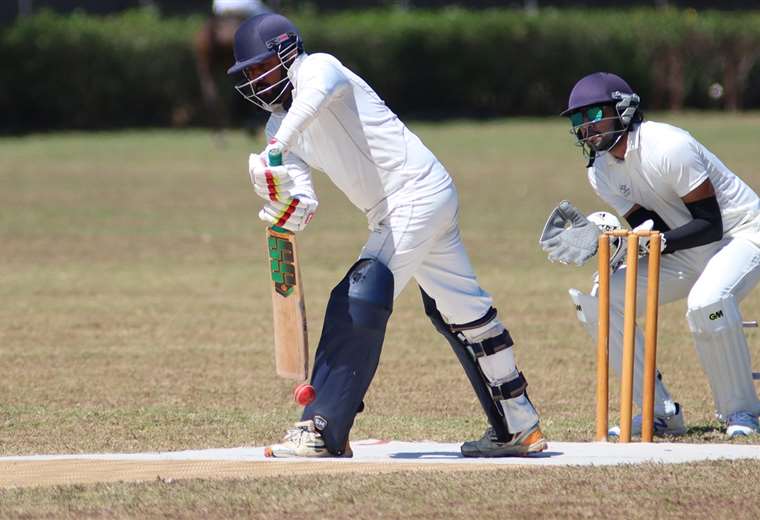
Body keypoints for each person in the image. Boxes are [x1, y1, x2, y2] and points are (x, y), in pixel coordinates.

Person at [227, 13, 547, 457]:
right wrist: (282, 202)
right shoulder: (276, 128)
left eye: (262, 68)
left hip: (412, 192)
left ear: (286, 53)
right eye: (249, 75)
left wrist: (277, 150)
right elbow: (303, 205)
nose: (257, 81)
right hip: (406, 204)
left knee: (359, 293)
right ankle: (519, 424)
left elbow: (313, 101)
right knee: (462, 311)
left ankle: (321, 428)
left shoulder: (319, 67)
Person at [540, 71, 760, 438]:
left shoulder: (668, 145)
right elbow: (649, 225)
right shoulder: (601, 172)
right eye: (578, 121)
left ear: (623, 109)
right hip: (688, 244)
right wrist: (612, 245)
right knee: (602, 299)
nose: (587, 128)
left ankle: (743, 412)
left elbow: (709, 224)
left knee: (707, 302)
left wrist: (644, 244)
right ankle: (660, 412)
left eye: (594, 115)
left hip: (740, 234)